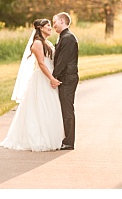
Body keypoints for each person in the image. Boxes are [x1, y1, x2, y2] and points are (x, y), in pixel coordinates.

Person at [0, 19, 65, 151]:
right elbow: (41, 64)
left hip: (49, 76)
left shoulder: (47, 42)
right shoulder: (37, 43)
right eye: (47, 25)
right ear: (40, 28)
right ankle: (38, 138)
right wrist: (51, 78)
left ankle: (52, 136)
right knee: (40, 107)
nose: (50, 27)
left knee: (51, 107)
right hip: (42, 78)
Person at [52, 12, 80, 150]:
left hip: (68, 78)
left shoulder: (68, 38)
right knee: (63, 109)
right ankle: (65, 138)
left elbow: (62, 61)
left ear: (62, 21)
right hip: (65, 77)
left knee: (67, 109)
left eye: (55, 21)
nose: (53, 25)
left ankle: (69, 142)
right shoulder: (63, 37)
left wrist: (53, 77)